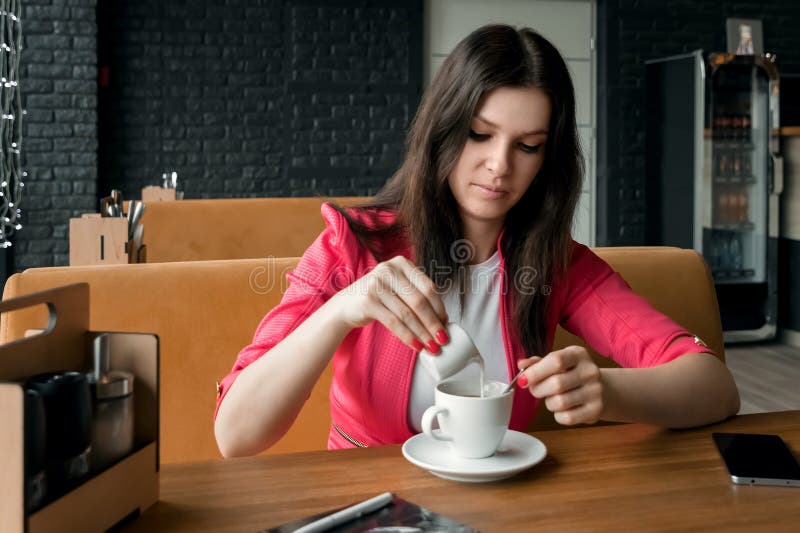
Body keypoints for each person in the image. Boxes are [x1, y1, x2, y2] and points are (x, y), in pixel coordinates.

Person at [214, 24, 739, 457]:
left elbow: (714, 386)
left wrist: (608, 391)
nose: (499, 166)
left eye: (527, 146)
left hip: (500, 504)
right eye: (480, 134)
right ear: (443, 129)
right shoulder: (352, 247)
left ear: (545, 161)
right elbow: (235, 434)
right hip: (371, 502)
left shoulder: (558, 266)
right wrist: (341, 311)